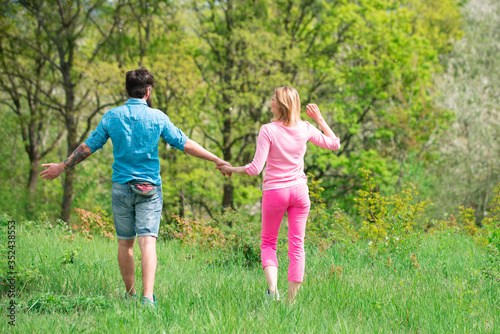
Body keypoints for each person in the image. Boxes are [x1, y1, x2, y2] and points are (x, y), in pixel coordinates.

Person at [40, 67, 230, 307]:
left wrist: (62, 166)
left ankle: (130, 295)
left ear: (127, 90)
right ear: (148, 92)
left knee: (124, 242)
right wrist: (216, 159)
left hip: (121, 188)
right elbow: (185, 143)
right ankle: (147, 298)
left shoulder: (111, 116)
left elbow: (88, 147)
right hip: (149, 189)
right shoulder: (157, 117)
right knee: (147, 242)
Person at [218, 86, 340, 303]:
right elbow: (334, 143)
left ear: (280, 105)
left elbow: (255, 169)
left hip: (275, 192)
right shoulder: (305, 127)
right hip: (300, 193)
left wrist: (231, 169)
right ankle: (291, 303)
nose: (270, 102)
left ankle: (273, 291)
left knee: (268, 242)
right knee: (297, 245)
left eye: (273, 99)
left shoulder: (268, 130)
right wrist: (320, 119)